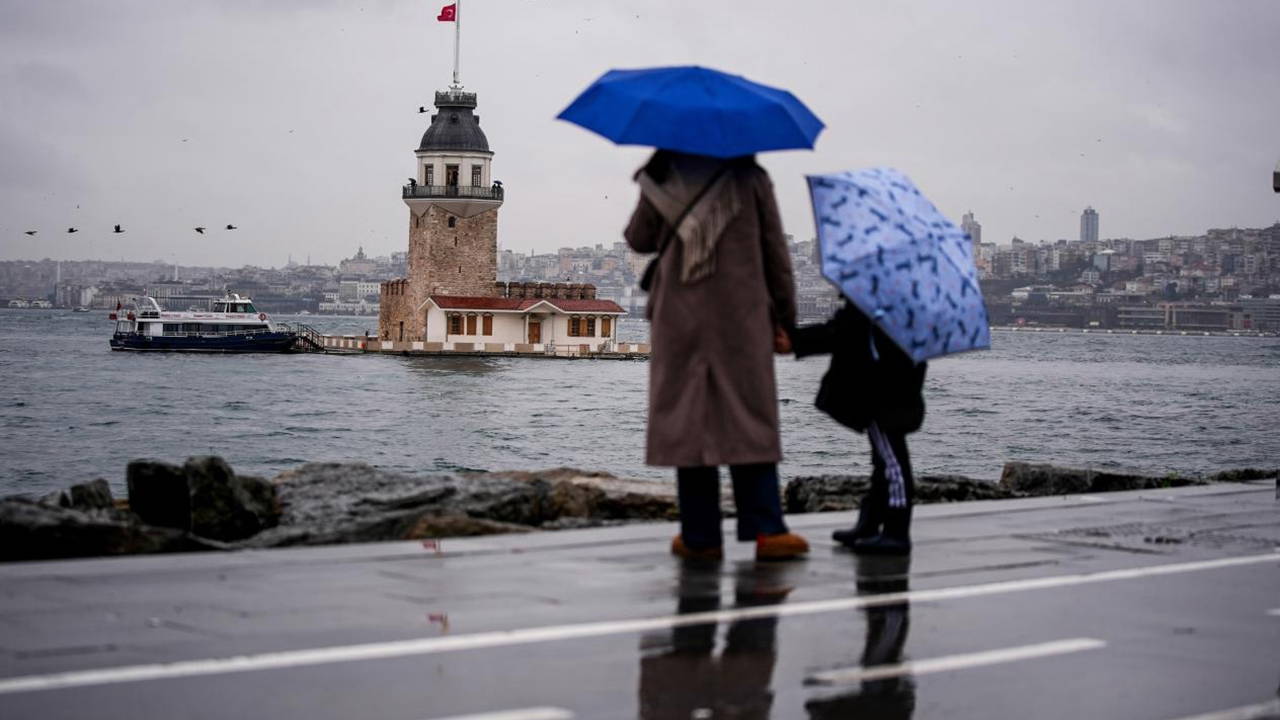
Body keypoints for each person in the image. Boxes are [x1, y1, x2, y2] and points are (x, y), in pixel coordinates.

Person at [625, 150, 808, 561]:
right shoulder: (751, 178)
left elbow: (639, 238)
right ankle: (767, 529)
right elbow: (775, 253)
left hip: (679, 316)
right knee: (748, 416)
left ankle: (700, 535)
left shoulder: (664, 174)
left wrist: (653, 181)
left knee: (687, 419)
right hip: (740, 315)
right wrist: (785, 319)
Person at [788, 301, 927, 554]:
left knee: (892, 462)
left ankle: (896, 531)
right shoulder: (903, 300)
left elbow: (843, 331)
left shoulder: (875, 297)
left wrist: (795, 340)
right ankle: (871, 522)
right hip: (895, 386)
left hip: (884, 391)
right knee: (883, 462)